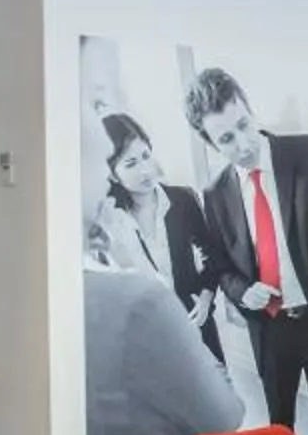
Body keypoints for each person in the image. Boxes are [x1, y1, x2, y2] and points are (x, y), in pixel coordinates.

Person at [188, 67, 308, 435]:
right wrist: (243, 291)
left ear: (250, 109)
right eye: (226, 138)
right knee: (279, 431)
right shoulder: (214, 194)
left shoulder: (307, 153)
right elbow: (222, 267)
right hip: (269, 330)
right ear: (210, 143)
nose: (243, 144)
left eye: (244, 125)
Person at [93, 112, 221, 360]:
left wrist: (206, 299)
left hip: (196, 326)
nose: (145, 170)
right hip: (147, 339)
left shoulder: (183, 200)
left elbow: (214, 257)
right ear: (112, 174)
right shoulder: (111, 219)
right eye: (130, 164)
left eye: (145, 156)